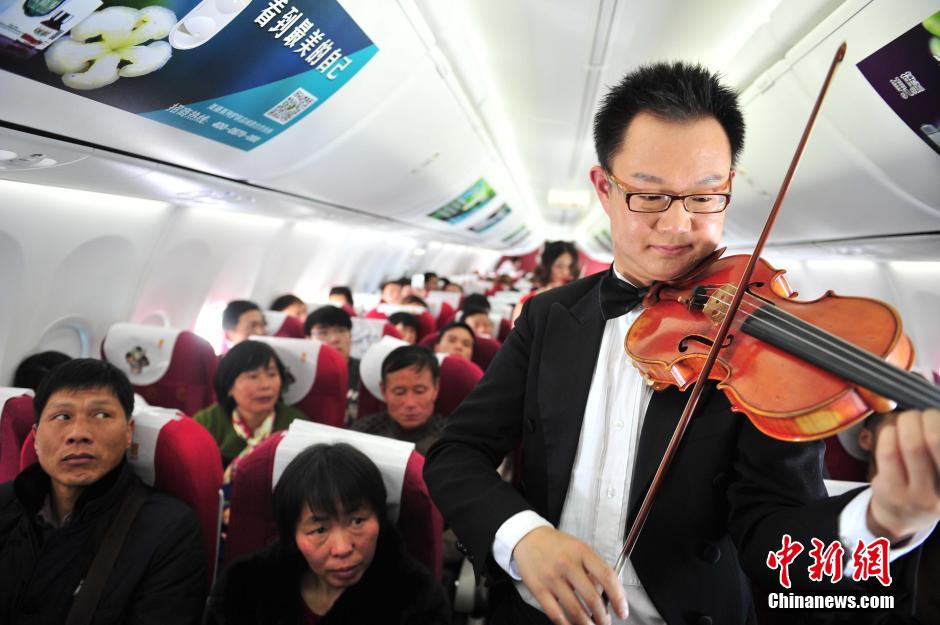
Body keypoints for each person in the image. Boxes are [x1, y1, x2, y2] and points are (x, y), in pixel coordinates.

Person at [424, 61, 938, 625]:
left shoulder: (764, 352)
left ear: (729, 190)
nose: (678, 226)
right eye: (649, 196)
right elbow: (455, 454)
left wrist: (879, 523)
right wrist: (523, 538)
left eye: (703, 197)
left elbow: (776, 542)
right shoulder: (549, 316)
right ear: (604, 188)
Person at [0, 359, 205, 624]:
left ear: (128, 432)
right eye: (62, 417)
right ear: (36, 438)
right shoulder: (5, 504)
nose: (78, 434)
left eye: (101, 415)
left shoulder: (169, 530)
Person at [204, 442, 450, 624]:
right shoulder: (242, 589)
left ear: (380, 519)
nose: (342, 548)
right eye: (319, 529)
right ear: (292, 535)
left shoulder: (417, 601)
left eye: (357, 521)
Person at [194, 341, 304, 469]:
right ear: (229, 385)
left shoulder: (296, 425)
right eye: (253, 376)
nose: (265, 385)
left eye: (272, 374)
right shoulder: (206, 422)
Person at [351, 346, 443, 456]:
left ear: (436, 388)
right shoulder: (362, 435)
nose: (410, 403)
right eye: (399, 392)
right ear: (384, 391)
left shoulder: (450, 438)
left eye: (419, 391)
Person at [305, 306, 359, 423]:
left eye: (341, 330)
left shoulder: (364, 373)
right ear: (308, 339)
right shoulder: (302, 376)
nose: (334, 339)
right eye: (323, 332)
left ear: (350, 337)